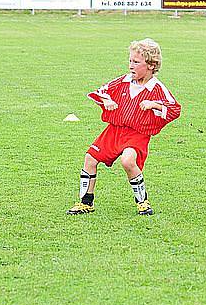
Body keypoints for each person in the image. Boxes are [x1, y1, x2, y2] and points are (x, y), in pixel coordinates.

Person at [68, 39, 181, 216]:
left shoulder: (156, 88)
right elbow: (99, 92)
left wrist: (154, 105)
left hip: (137, 133)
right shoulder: (123, 81)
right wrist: (107, 100)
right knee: (90, 159)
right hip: (114, 130)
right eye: (130, 61)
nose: (131, 66)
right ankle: (85, 202)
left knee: (128, 161)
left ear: (151, 65)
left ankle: (143, 202)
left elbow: (175, 109)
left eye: (136, 62)